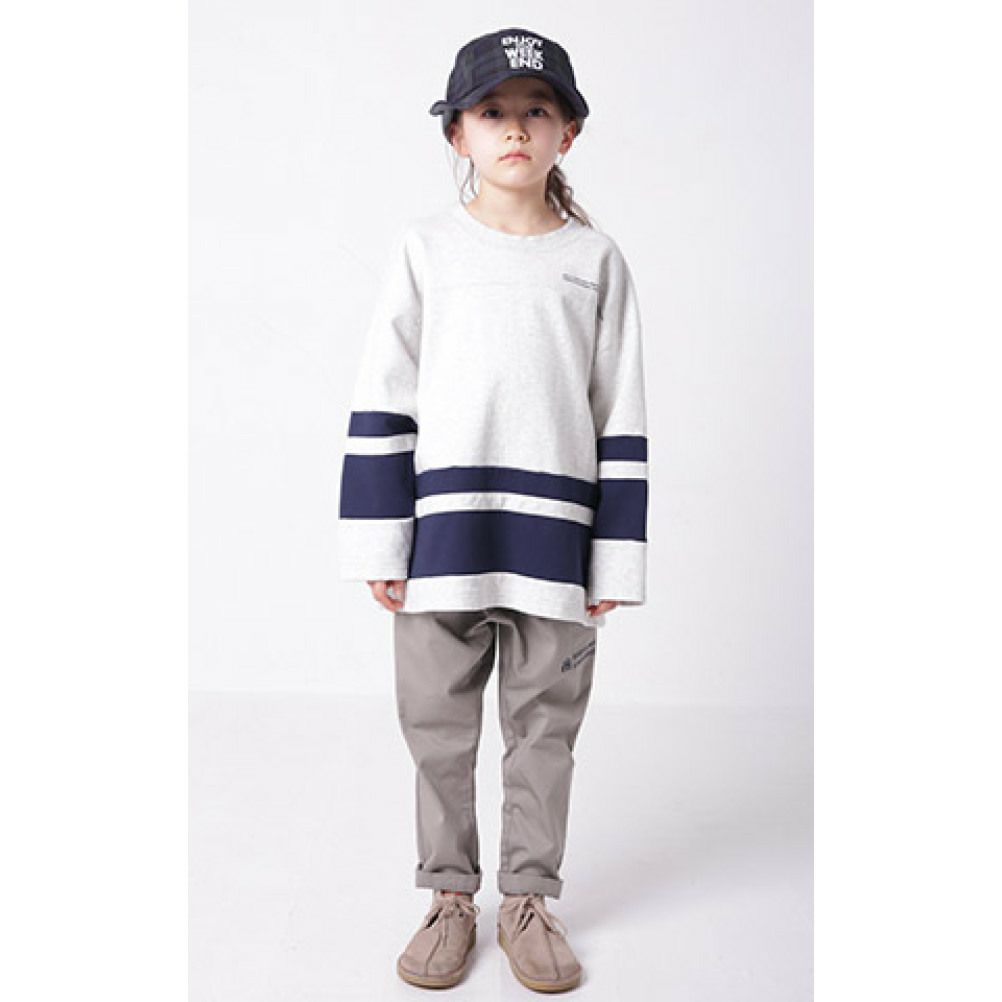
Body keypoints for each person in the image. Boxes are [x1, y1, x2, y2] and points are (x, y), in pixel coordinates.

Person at [337, 26, 648, 993]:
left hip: (556, 545)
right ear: (457, 134)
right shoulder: (426, 249)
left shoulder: (595, 260)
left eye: (535, 111)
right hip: (443, 537)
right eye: (492, 112)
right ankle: (448, 896)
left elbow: (620, 412)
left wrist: (614, 558)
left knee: (544, 729)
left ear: (568, 133)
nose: (515, 129)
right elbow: (385, 392)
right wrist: (381, 540)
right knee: (437, 726)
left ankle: (528, 900)